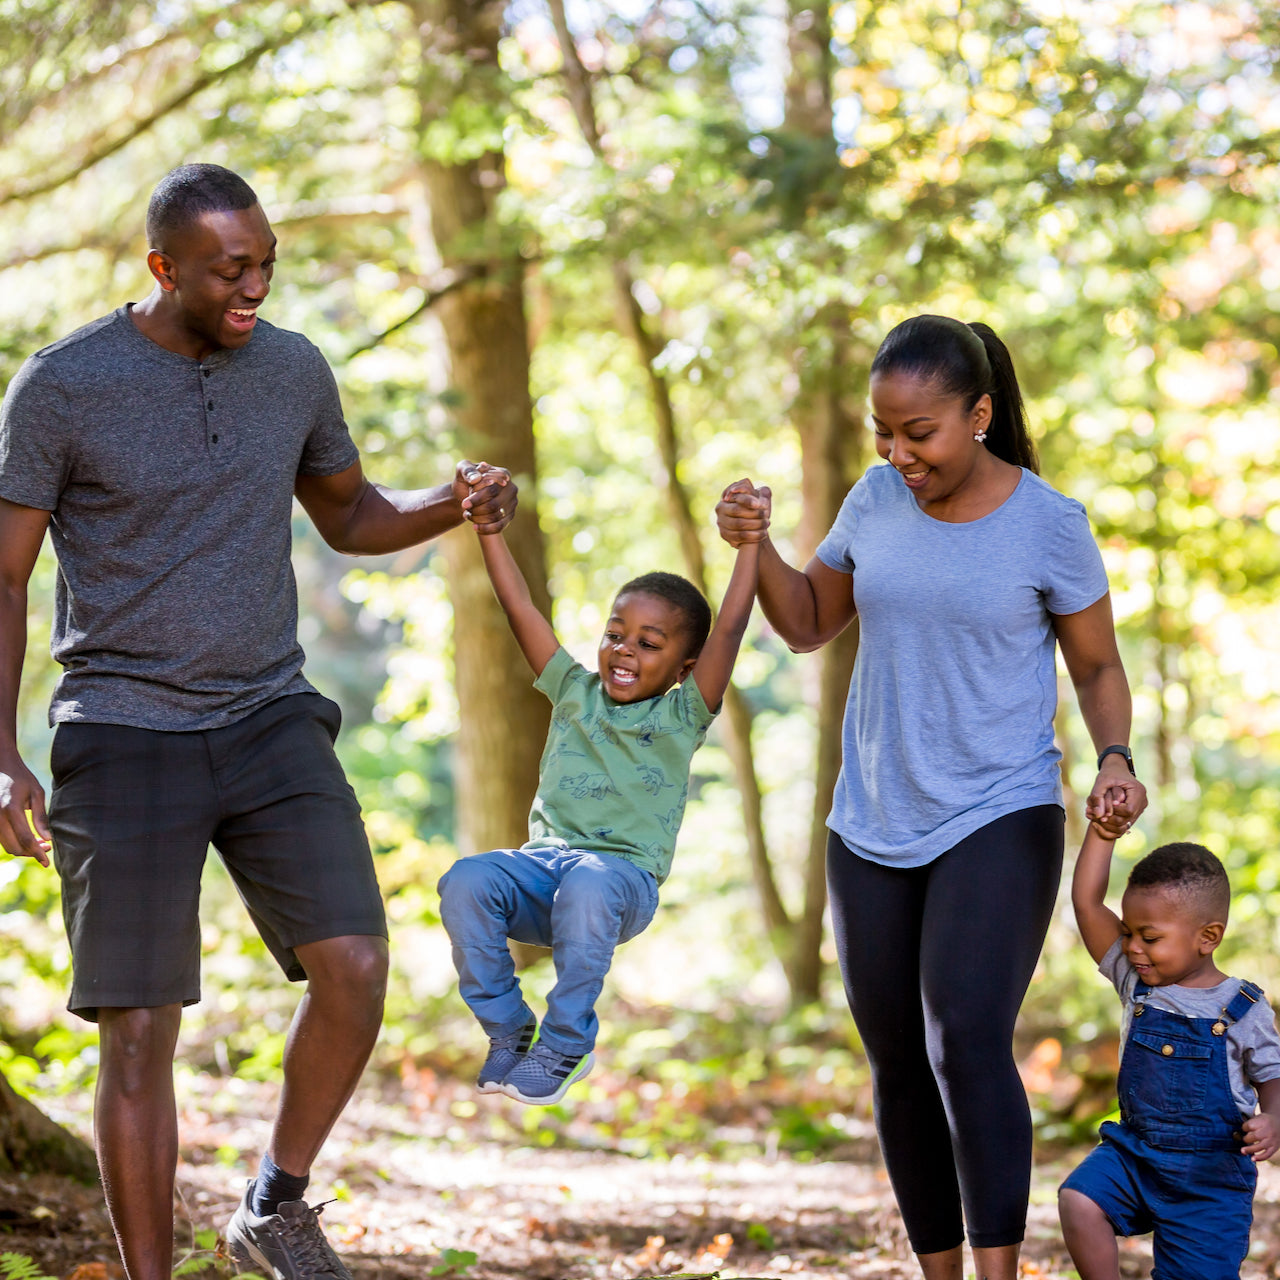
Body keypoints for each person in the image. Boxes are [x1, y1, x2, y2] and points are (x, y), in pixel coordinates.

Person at [0, 163, 515, 1280]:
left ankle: (274, 1203)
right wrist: (2, 756)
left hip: (267, 712)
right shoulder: (63, 386)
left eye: (267, 261)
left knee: (357, 962)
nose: (256, 284)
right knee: (138, 1028)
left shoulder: (290, 368)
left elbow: (351, 515)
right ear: (163, 267)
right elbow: (5, 575)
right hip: (120, 726)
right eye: (232, 268)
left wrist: (453, 500)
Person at [714, 313, 1147, 1280]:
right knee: (899, 1059)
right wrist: (759, 545)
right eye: (884, 430)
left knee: (963, 1034)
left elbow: (1098, 666)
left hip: (1002, 805)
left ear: (980, 414)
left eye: (921, 432)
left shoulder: (1049, 523)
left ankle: (999, 1274)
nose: (898, 452)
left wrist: (1113, 756)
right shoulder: (873, 499)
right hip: (871, 815)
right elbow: (809, 624)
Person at [437, 480, 757, 1105]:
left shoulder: (684, 714)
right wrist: (490, 534)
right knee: (466, 879)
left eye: (648, 643)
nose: (624, 650)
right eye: (616, 633)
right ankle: (508, 1029)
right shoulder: (572, 690)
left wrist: (749, 544)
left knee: (587, 881)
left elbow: (731, 630)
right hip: (542, 874)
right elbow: (519, 608)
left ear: (683, 668)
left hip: (620, 885)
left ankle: (565, 1041)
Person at [1061, 820, 1280, 1279]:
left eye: (1150, 936)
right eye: (1128, 933)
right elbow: (1086, 903)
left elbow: (1271, 1074)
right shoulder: (1135, 982)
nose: (1133, 947)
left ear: (1209, 937)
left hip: (1209, 1182)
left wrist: (1275, 1118)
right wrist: (1103, 835)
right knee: (1079, 1201)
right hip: (1135, 1155)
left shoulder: (1244, 1007)